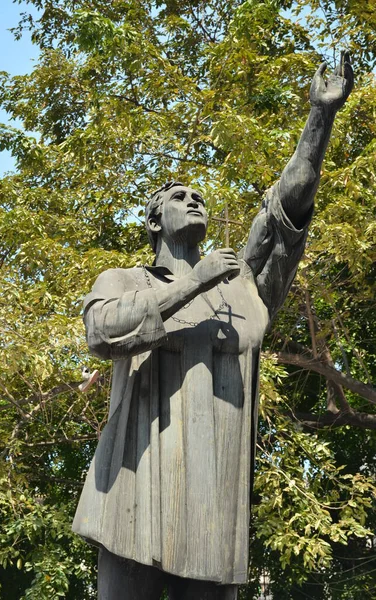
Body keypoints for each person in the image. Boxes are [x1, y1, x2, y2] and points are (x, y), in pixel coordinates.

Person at [73, 54, 353, 600]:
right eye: (178, 196)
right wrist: (190, 283)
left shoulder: (242, 288)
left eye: (198, 194)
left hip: (214, 512)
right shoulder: (127, 278)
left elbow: (286, 209)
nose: (193, 197)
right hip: (135, 501)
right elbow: (100, 332)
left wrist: (320, 118)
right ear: (154, 221)